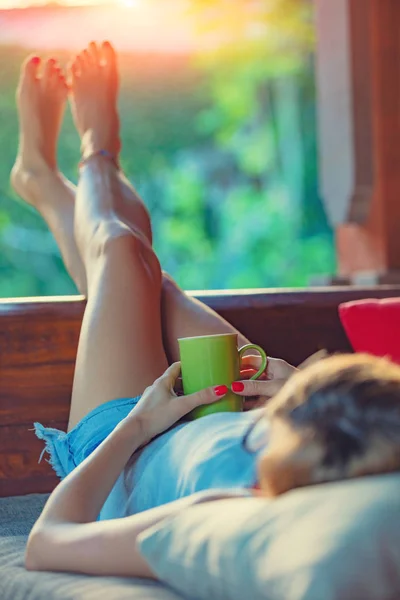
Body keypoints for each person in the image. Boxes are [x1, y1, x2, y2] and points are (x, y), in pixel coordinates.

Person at [12, 43, 400, 580]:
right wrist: (299, 396)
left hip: (133, 444)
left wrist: (137, 425)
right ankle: (45, 185)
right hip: (243, 412)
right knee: (154, 285)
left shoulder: (234, 517)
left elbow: (48, 542)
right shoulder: (367, 453)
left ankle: (96, 150)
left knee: (125, 254)